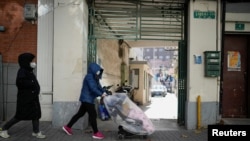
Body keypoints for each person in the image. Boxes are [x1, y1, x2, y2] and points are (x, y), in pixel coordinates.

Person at [0, 53, 46, 139]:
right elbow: (20, 83)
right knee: (19, 116)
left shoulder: (29, 71)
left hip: (33, 98)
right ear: (26, 61)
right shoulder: (22, 71)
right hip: (25, 99)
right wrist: (32, 84)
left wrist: (37, 90)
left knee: (35, 115)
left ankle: (36, 132)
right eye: (31, 61)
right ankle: (3, 129)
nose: (33, 62)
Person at [62, 62, 107, 139]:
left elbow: (98, 86)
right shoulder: (89, 77)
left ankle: (67, 127)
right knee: (93, 115)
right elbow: (93, 88)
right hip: (87, 99)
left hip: (87, 99)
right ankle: (96, 133)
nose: (98, 72)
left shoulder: (95, 77)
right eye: (97, 71)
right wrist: (101, 94)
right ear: (93, 70)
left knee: (80, 114)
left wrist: (103, 91)